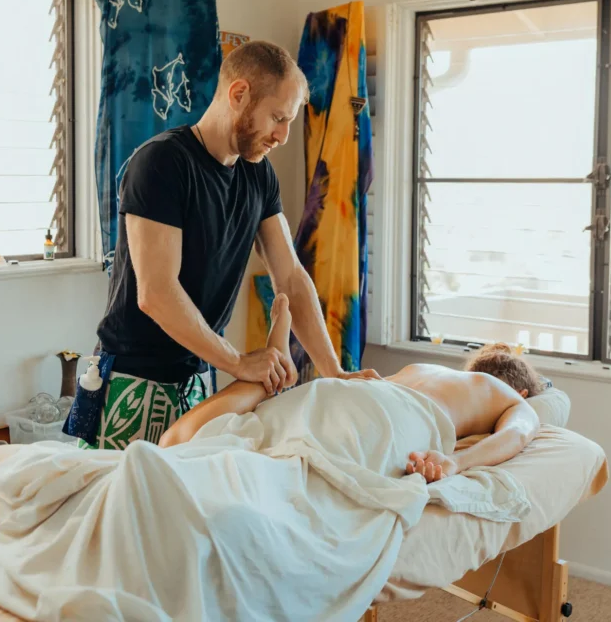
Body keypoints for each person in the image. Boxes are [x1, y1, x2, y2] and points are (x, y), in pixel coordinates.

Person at [65, 41, 381, 450]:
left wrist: (334, 372)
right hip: (132, 381)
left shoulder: (258, 175)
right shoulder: (161, 164)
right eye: (278, 118)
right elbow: (156, 294)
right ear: (238, 94)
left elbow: (291, 277)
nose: (283, 136)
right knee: (125, 508)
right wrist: (237, 362)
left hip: (198, 381)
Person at [160, 297, 540, 483]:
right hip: (394, 415)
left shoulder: (424, 369)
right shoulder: (507, 397)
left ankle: (269, 372)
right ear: (522, 391)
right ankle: (267, 375)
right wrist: (457, 462)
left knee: (183, 444)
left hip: (341, 390)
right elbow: (518, 434)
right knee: (284, 476)